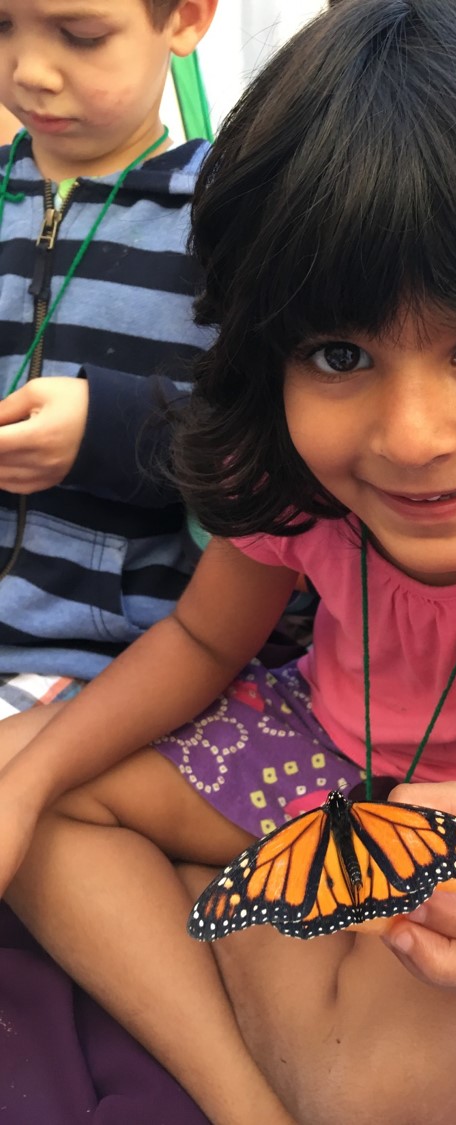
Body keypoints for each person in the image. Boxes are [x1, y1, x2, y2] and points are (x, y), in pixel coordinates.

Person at [0, 0, 456, 1121]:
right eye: (339, 355)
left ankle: (225, 917)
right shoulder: (295, 477)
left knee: (390, 1098)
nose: (410, 439)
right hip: (311, 750)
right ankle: (241, 1092)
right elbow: (201, 638)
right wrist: (29, 783)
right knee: (28, 778)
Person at [0, 0, 217, 715]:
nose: (30, 72)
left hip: (107, 656)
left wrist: (108, 430)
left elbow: (269, 439)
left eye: (81, 35)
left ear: (184, 19)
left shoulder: (228, 221)